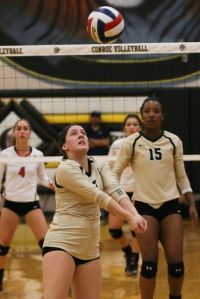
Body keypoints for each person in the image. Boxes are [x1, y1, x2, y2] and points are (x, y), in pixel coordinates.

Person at [42, 124, 147, 299]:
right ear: (64, 146)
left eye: (83, 133)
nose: (81, 135)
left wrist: (135, 214)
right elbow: (98, 196)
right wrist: (129, 217)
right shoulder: (65, 169)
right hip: (62, 244)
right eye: (74, 134)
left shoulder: (99, 164)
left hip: (90, 249)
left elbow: (115, 188)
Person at [112, 97, 198, 299]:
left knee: (176, 264)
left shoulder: (173, 141)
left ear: (163, 115)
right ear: (142, 115)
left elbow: (181, 174)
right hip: (143, 207)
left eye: (156, 111)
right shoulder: (130, 142)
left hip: (170, 206)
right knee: (149, 265)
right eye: (148, 111)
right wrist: (118, 199)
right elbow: (114, 174)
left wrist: (192, 202)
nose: (151, 114)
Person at [0, 119, 55, 291]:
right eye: (19, 128)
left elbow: (41, 177)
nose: (22, 131)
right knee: (2, 247)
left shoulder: (38, 154)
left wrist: (51, 183)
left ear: (30, 133)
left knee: (47, 245)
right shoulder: (5, 154)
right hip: (11, 204)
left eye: (25, 128)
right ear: (14, 133)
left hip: (31, 203)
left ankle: (56, 280)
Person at [108, 113, 142, 276]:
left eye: (135, 124)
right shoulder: (117, 144)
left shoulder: (144, 144)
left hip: (139, 191)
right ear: (124, 128)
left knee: (136, 228)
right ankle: (128, 252)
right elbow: (109, 167)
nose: (132, 127)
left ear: (140, 127)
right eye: (128, 124)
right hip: (119, 190)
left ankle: (134, 259)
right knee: (114, 229)